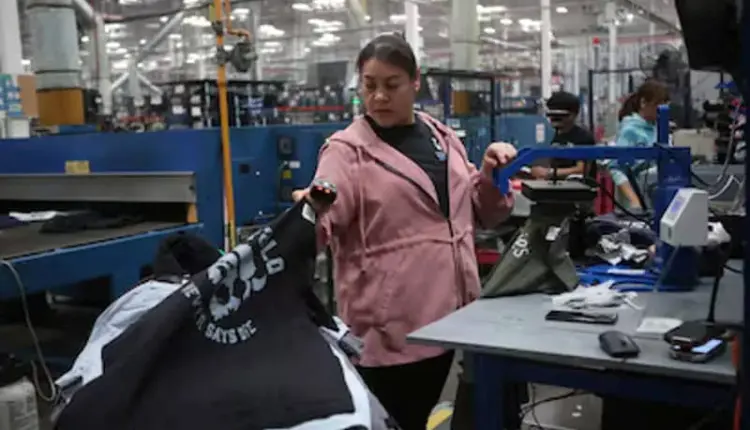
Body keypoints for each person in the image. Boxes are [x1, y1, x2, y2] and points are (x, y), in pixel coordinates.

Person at [293, 33, 516, 430]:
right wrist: (309, 213)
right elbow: (326, 214)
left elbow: (480, 213)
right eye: (369, 85)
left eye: (391, 85)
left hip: (452, 315)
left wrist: (491, 174)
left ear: (416, 82)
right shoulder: (346, 152)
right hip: (391, 328)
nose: (378, 96)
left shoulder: (440, 137)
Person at [609, 80, 669, 209]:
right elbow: (616, 169)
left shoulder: (660, 129)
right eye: (657, 105)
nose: (661, 110)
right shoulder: (630, 130)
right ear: (643, 103)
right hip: (638, 203)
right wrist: (634, 201)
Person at [531, 91, 597, 180]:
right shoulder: (558, 135)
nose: (553, 118)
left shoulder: (583, 137)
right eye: (551, 114)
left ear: (573, 115)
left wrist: (549, 173)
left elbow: (582, 170)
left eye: (559, 114)